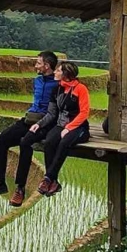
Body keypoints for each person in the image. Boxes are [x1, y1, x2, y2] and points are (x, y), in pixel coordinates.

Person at [0, 51, 58, 205]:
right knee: (2, 139)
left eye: (38, 63)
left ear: (47, 66)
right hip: (29, 119)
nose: (36, 66)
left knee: (25, 143)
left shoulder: (58, 84)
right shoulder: (37, 81)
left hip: (45, 123)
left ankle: (20, 189)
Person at [19, 60, 91, 197]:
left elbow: (84, 113)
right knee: (49, 142)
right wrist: (39, 124)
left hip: (78, 127)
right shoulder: (57, 89)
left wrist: (69, 128)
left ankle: (48, 178)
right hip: (61, 125)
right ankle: (54, 182)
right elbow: (51, 113)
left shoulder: (81, 89)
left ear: (66, 74)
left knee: (64, 143)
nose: (55, 73)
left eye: (58, 70)